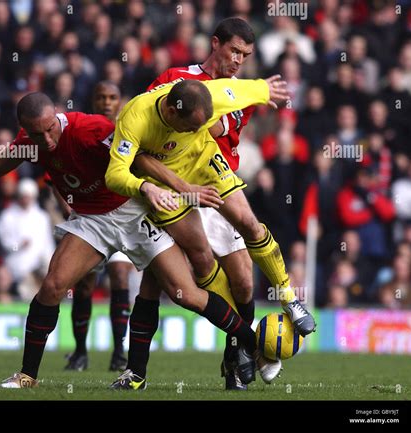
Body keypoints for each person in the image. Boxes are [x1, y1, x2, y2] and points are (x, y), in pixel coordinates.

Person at [0, 92, 262, 389]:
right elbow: (12, 156)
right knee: (53, 286)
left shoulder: (89, 129)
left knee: (184, 294)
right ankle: (27, 376)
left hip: (134, 212)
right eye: (36, 134)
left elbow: (139, 157)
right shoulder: (30, 139)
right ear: (25, 128)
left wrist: (168, 188)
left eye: (49, 130)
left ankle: (252, 344)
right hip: (93, 221)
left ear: (56, 114)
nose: (45, 140)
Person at [106, 77, 316, 389]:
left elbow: (244, 90)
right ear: (174, 114)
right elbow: (115, 172)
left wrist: (265, 90)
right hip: (166, 188)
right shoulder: (135, 116)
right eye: (192, 126)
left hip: (205, 163)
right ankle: (246, 343)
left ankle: (287, 296)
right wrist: (145, 187)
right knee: (200, 258)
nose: (196, 131)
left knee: (249, 223)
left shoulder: (211, 93)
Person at [132, 17, 281, 390]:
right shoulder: (173, 76)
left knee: (244, 281)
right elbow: (151, 121)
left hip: (217, 189)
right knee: (158, 282)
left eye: (245, 56)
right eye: (233, 51)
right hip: (173, 187)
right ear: (215, 43)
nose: (237, 61)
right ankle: (135, 372)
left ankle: (235, 357)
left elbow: (213, 129)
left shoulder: (240, 93)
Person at [48, 81, 133, 372]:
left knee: (120, 277)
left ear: (120, 101)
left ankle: (119, 353)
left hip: (122, 215)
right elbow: (55, 176)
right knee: (83, 286)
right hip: (88, 217)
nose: (107, 102)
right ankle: (80, 351)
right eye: (101, 97)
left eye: (112, 97)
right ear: (94, 100)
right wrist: (67, 205)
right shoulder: (80, 131)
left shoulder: (128, 131)